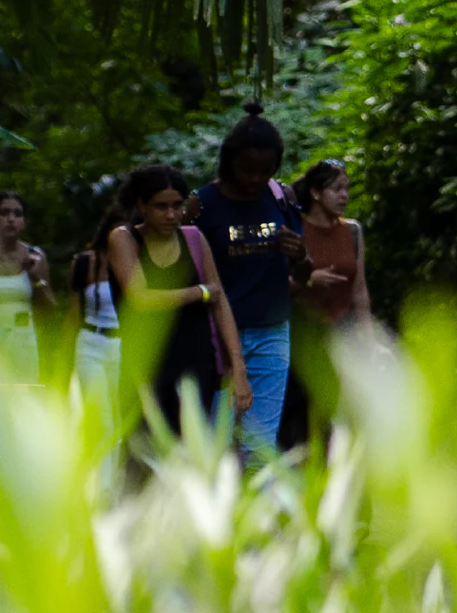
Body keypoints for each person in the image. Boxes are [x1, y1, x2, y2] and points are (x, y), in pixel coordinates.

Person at [110, 164, 251, 439]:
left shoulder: (194, 239)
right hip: (145, 365)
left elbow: (220, 303)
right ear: (143, 206)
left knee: (192, 455)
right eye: (161, 206)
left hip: (196, 365)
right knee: (143, 460)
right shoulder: (125, 238)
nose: (171, 214)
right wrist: (199, 292)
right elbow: (140, 298)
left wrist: (238, 368)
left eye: (178, 205)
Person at [194, 109, 304, 450]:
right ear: (229, 162)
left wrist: (299, 254)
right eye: (247, 168)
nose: (255, 177)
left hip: (272, 331)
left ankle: (260, 501)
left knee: (259, 444)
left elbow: (304, 274)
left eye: (265, 170)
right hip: (217, 335)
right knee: (214, 440)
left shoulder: (280, 198)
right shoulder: (202, 205)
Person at [285, 158, 371, 444]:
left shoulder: (353, 231)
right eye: (336, 189)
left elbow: (359, 289)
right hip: (305, 331)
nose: (344, 196)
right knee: (304, 412)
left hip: (343, 329)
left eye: (347, 189)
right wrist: (308, 279)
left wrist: (368, 336)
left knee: (345, 410)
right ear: (316, 192)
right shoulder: (294, 230)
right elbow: (275, 285)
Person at [0, 193, 50, 385]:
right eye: (4, 213)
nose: (11, 219)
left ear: (25, 221)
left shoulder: (35, 255)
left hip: (22, 341)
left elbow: (49, 308)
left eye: (18, 214)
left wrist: (36, 279)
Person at [66, 194, 125, 419]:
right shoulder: (84, 262)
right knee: (98, 411)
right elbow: (72, 315)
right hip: (90, 341)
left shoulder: (137, 263)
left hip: (122, 342)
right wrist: (65, 359)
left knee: (120, 413)